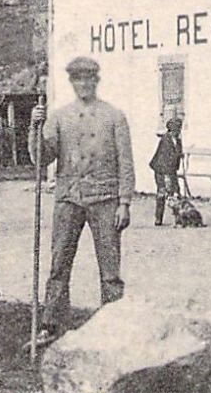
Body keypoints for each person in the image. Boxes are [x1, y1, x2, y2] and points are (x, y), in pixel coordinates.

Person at [30, 56, 134, 344]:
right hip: (69, 198)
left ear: (96, 81)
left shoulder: (114, 116)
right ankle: (51, 324)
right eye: (78, 79)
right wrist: (35, 127)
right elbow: (41, 157)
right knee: (59, 264)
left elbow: (126, 162)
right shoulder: (59, 116)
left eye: (89, 78)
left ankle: (114, 322)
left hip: (105, 199)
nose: (84, 84)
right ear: (72, 82)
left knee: (110, 268)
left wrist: (124, 202)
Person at [149, 115, 184, 226]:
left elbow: (176, 155)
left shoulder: (178, 140)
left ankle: (178, 218)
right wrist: (167, 177)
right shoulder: (165, 140)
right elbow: (164, 159)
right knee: (162, 192)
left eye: (179, 129)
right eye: (177, 129)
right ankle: (158, 218)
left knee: (175, 192)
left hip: (171, 169)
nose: (178, 131)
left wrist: (180, 155)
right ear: (171, 129)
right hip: (161, 169)